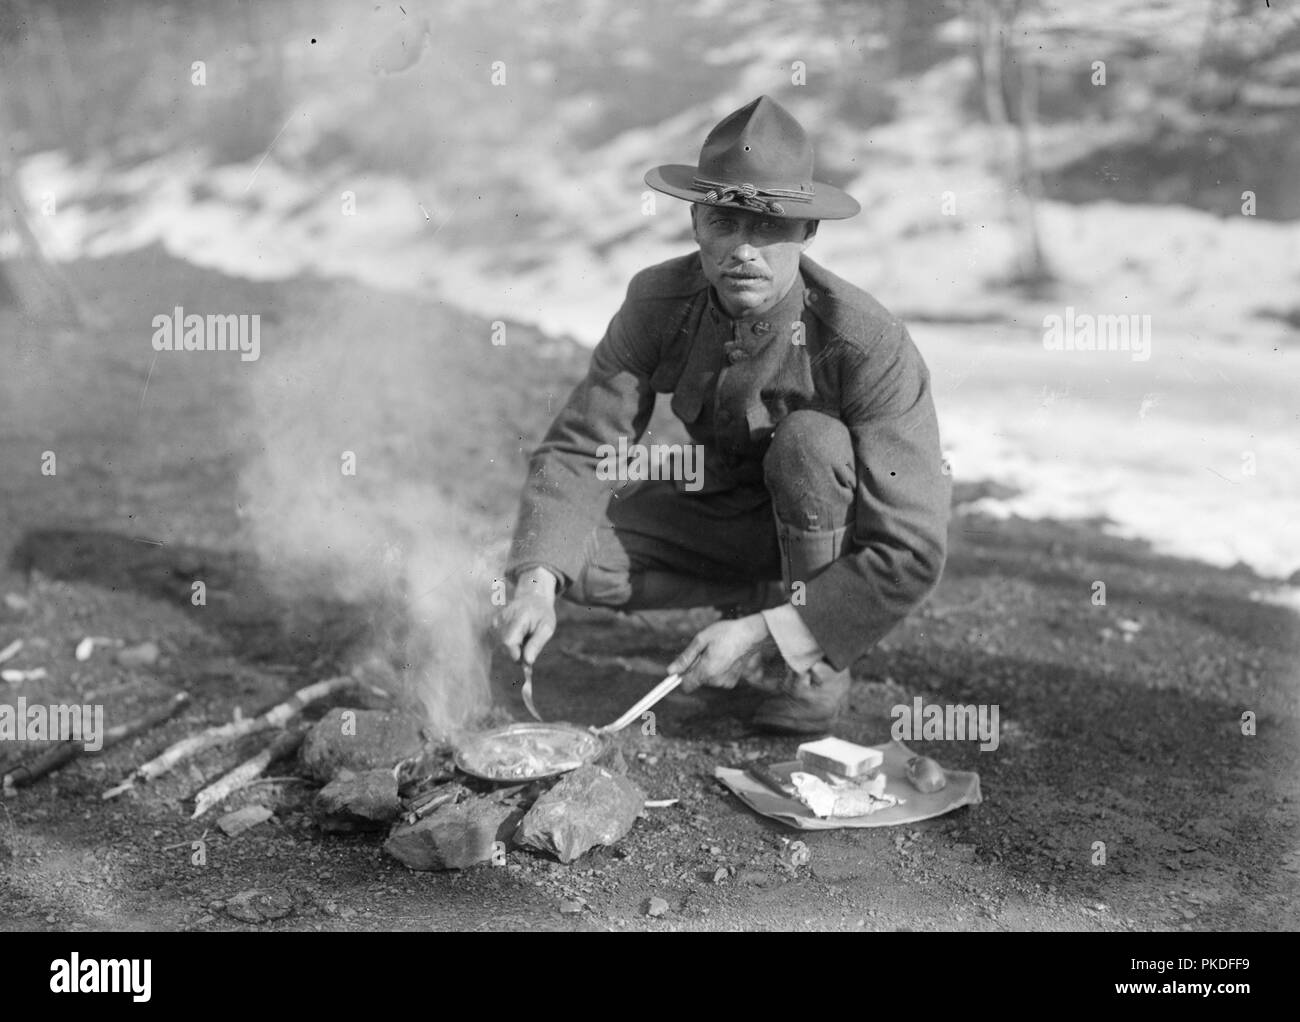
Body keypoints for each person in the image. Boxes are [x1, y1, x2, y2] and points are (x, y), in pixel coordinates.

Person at [496, 95, 950, 735]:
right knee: (567, 559)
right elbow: (582, 447)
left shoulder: (866, 342)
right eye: (723, 223)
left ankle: (811, 668)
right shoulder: (658, 300)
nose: (744, 250)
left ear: (808, 232)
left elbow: (912, 551)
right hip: (727, 514)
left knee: (808, 444)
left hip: (832, 533)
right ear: (694, 222)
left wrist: (773, 633)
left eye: (768, 228)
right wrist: (536, 582)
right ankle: (758, 590)